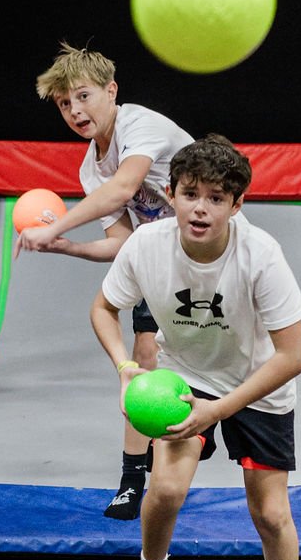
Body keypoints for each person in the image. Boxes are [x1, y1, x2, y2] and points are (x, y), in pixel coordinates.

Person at [91, 134, 301, 560]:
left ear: (236, 205)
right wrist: (127, 369)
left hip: (258, 381)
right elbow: (103, 309)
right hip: (185, 376)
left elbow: (293, 356)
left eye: (217, 198)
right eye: (191, 193)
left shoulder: (261, 255)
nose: (201, 208)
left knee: (270, 513)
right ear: (170, 194)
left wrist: (219, 410)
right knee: (167, 489)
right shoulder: (145, 247)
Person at [21, 42, 192, 519]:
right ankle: (132, 480)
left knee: (212, 362)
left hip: (212, 252)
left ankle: (203, 431)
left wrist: (55, 226)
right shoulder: (88, 166)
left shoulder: (140, 124)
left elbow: (123, 186)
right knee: (143, 356)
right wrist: (69, 247)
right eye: (64, 104)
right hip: (160, 255)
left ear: (111, 90)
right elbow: (121, 244)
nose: (76, 111)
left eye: (83, 96)